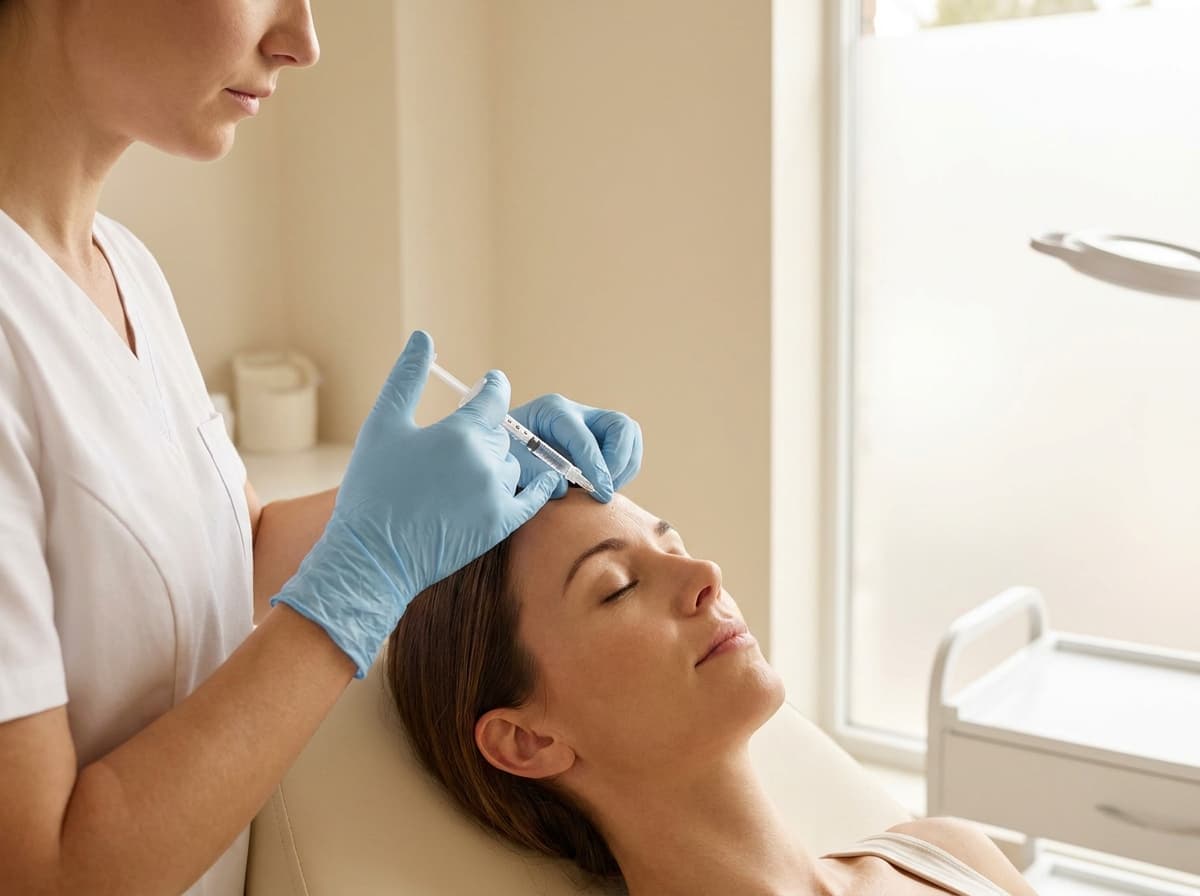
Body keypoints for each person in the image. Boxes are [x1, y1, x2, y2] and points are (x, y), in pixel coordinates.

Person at [0, 3, 642, 894]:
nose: (300, 41)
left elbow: (225, 549)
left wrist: (478, 471)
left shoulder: (120, 266)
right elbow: (39, 873)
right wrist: (360, 583)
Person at [387, 489, 1040, 896]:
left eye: (676, 546)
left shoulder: (946, 854)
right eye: (616, 586)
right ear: (528, 739)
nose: (706, 574)